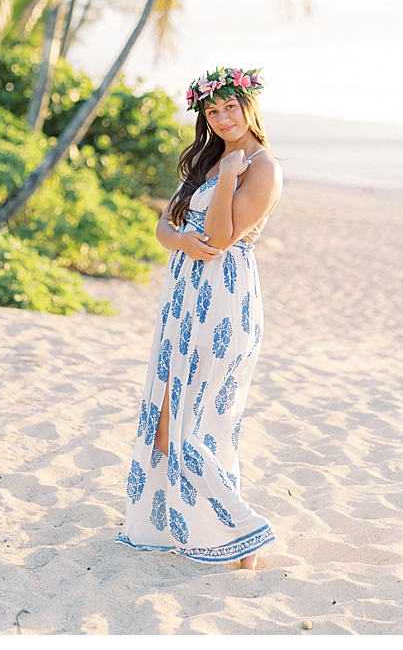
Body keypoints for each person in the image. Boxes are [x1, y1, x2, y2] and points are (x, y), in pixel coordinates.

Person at [117, 67, 282, 570]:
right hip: (184, 298)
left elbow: (220, 239)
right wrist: (182, 240)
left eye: (230, 107)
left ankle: (245, 532)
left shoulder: (262, 167)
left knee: (197, 427)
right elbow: (166, 226)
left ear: (248, 105)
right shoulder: (208, 159)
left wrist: (231, 176)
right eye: (212, 110)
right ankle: (196, 527)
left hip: (224, 301)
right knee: (169, 425)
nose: (222, 117)